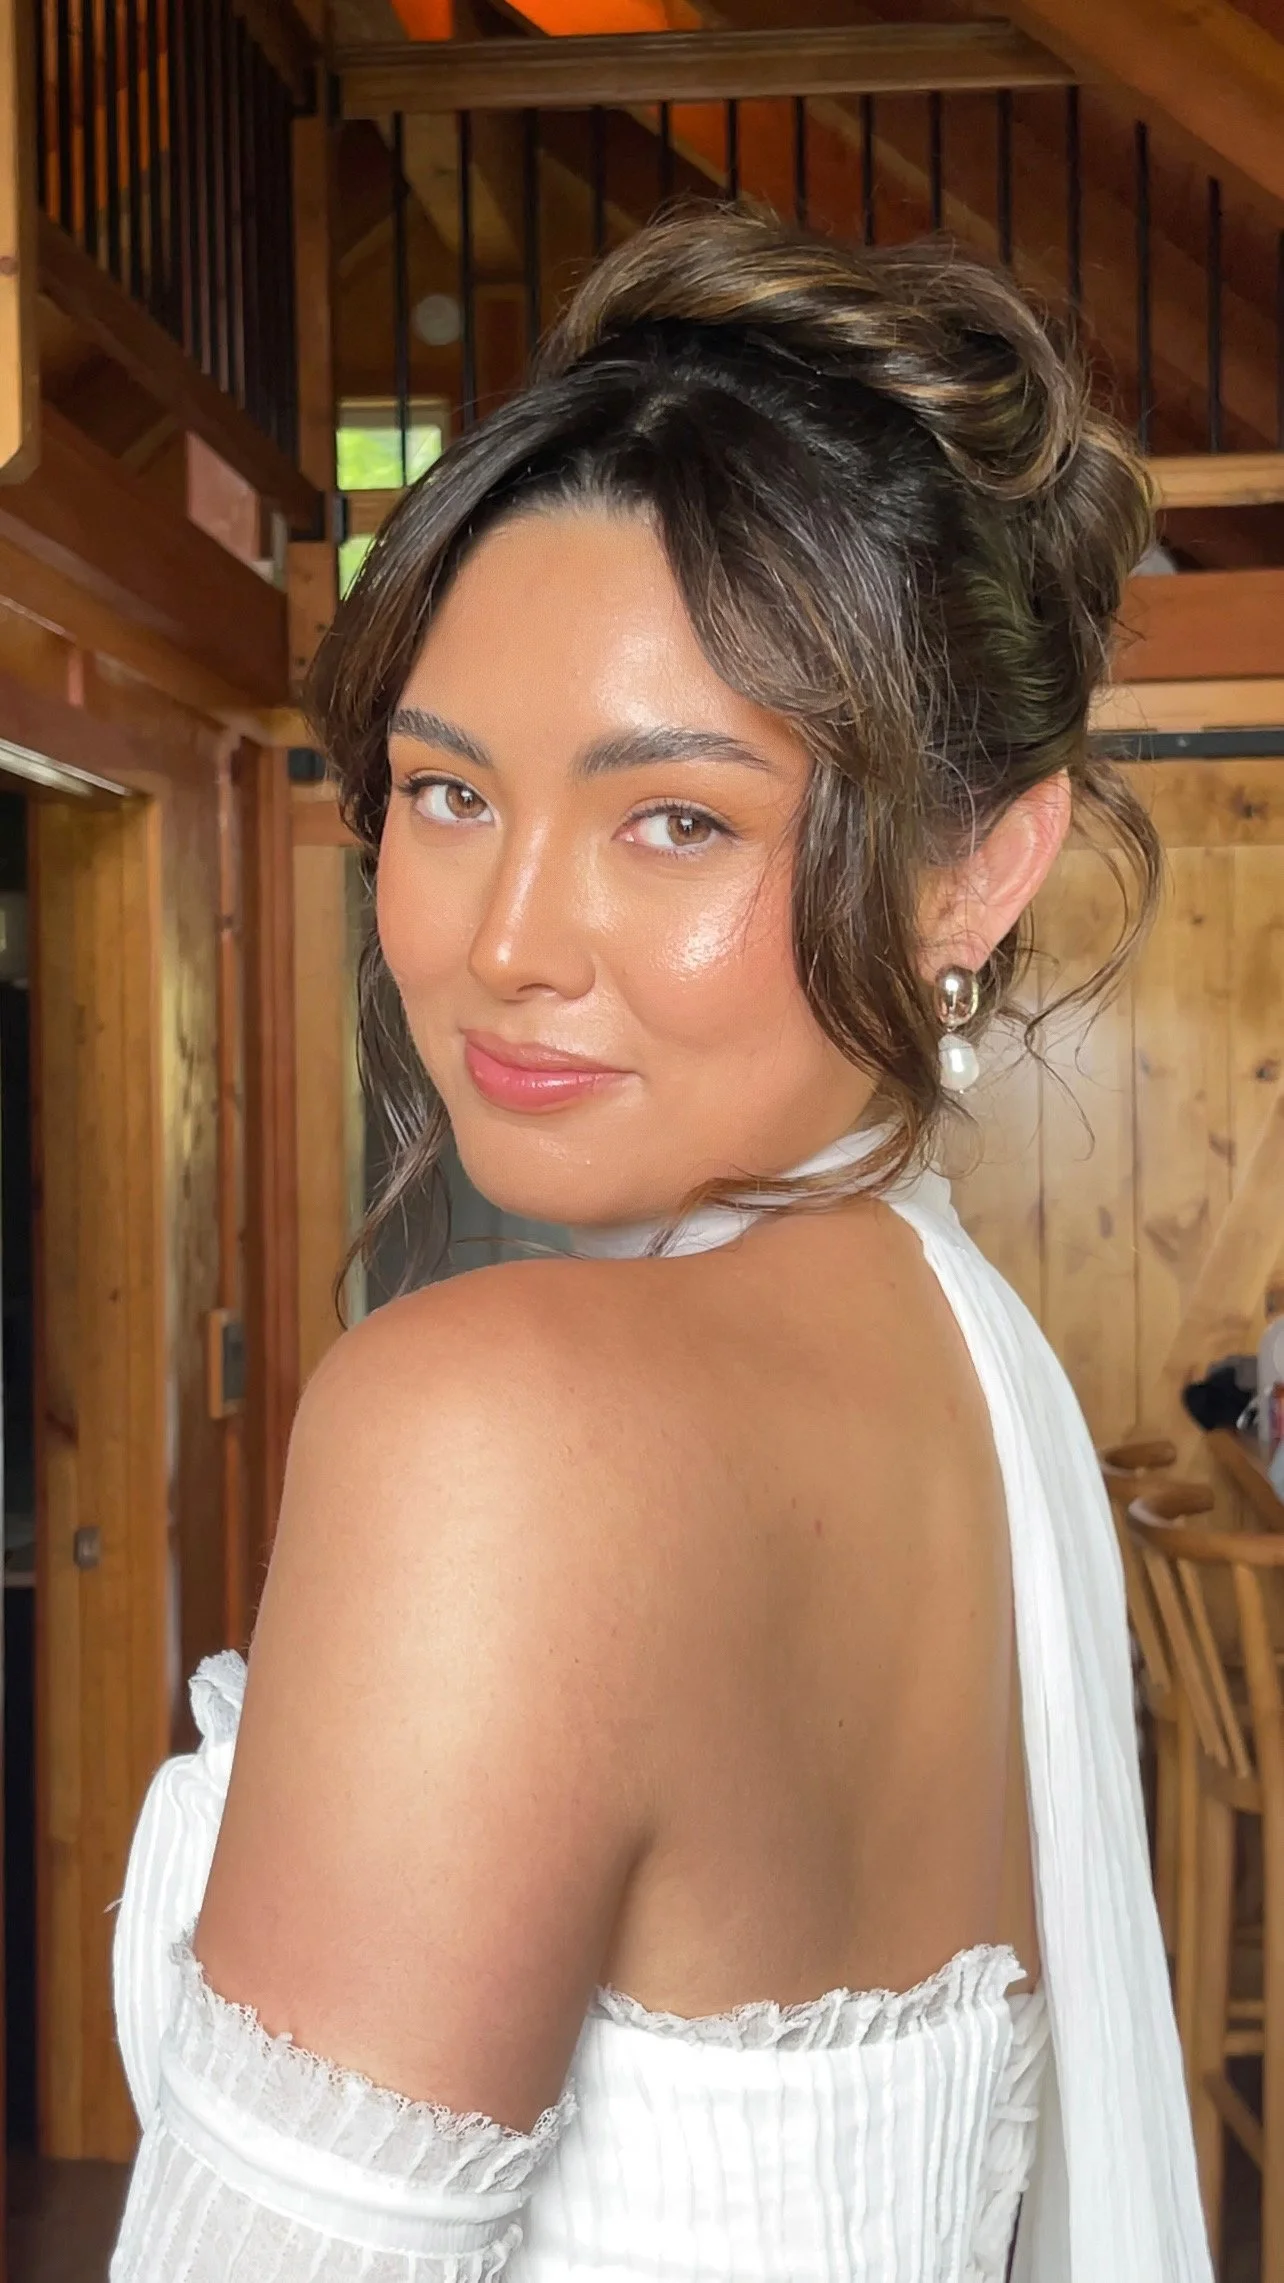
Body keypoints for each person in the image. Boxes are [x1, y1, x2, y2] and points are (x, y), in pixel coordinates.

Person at [109, 207, 1210, 2282]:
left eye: (677, 819)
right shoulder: (963, 1358)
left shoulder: (499, 1429)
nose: (506, 942)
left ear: (979, 867)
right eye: (447, 794)